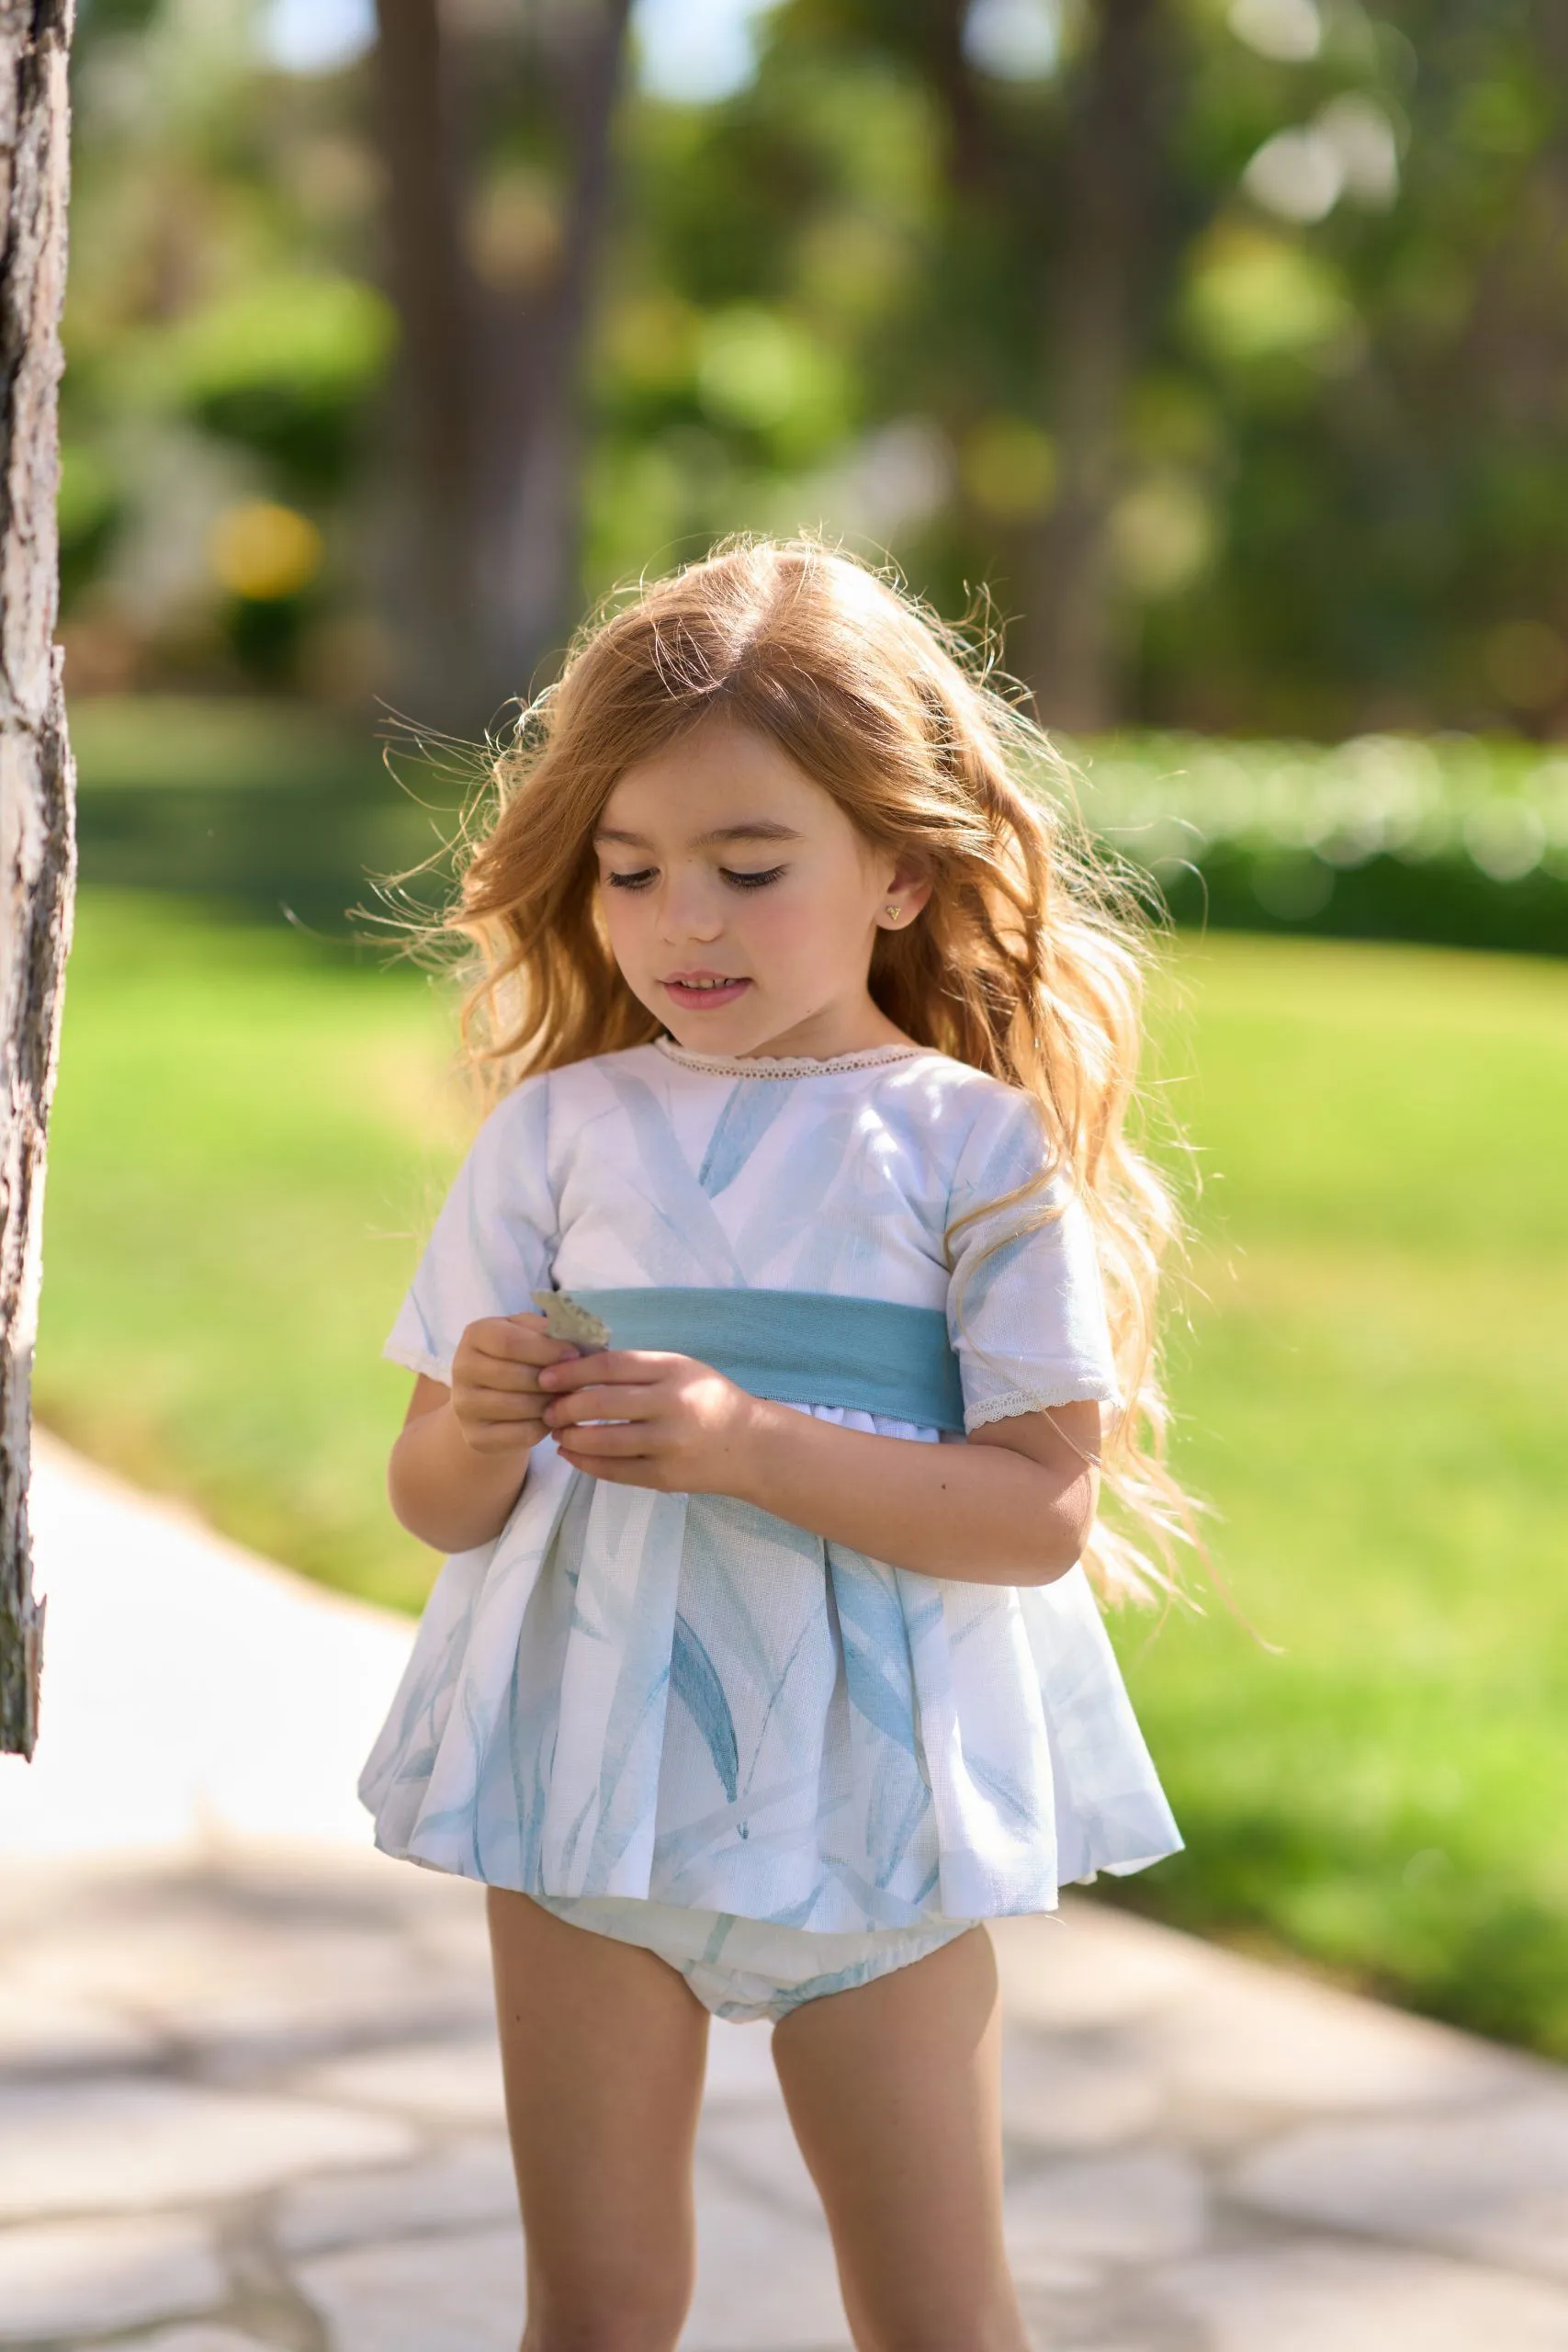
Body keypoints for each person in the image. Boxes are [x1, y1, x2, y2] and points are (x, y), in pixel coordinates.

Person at [360, 537, 1199, 2351]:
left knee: (934, 2310)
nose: (685, 924)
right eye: (633, 872)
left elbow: (1038, 1511)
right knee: (592, 2303)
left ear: (902, 867)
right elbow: (433, 1493)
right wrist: (486, 1420)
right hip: (589, 1787)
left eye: (749, 868)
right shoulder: (558, 1134)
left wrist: (749, 1441)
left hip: (874, 1812)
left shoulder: (969, 1148)